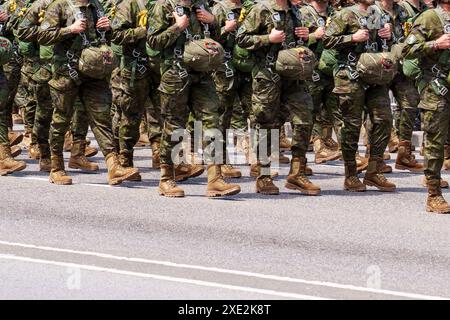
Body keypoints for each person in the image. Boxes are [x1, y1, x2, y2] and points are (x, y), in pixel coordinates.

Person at [38, 0, 140, 185]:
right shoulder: (59, 5)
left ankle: (113, 166)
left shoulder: (96, 5)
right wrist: (70, 29)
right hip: (66, 71)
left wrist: (107, 29)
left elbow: (107, 38)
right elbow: (43, 35)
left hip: (94, 71)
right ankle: (56, 167)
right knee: (61, 119)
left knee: (102, 118)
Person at [147, 0, 241, 197]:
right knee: (174, 126)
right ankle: (167, 178)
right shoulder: (164, 6)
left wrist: (214, 22)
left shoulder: (202, 6)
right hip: (175, 74)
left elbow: (214, 41)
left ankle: (215, 178)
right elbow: (153, 41)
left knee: (212, 120)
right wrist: (177, 27)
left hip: (203, 74)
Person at [236, 0, 321, 195]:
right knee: (267, 123)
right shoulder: (261, 9)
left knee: (305, 119)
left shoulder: (297, 12)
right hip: (268, 75)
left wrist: (307, 37)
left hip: (294, 76)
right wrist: (268, 39)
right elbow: (241, 39)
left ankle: (297, 174)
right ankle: (264, 176)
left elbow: (304, 40)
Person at [323, 0, 397, 192]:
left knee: (383, 120)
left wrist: (389, 35)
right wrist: (352, 38)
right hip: (350, 75)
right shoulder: (345, 14)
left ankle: (374, 170)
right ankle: (351, 174)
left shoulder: (377, 13)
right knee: (352, 124)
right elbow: (327, 41)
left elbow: (388, 44)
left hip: (375, 75)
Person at [402, 0, 450, 213]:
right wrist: (436, 44)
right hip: (435, 87)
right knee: (435, 140)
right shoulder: (430, 17)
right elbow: (406, 50)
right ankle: (433, 193)